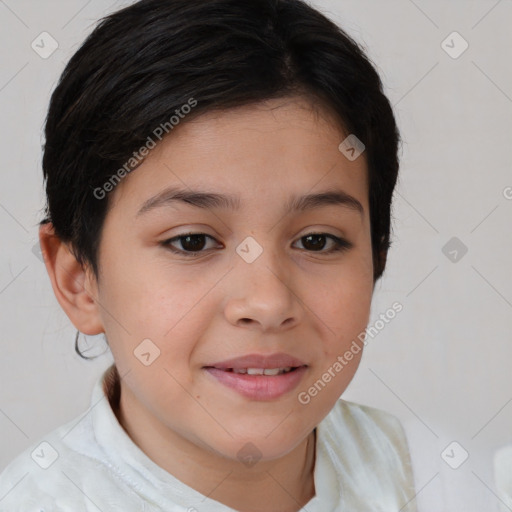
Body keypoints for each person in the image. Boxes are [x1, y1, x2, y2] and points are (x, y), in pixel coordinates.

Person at [0, 0, 418, 510]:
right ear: (77, 279)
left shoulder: (436, 476)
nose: (266, 303)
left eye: (316, 240)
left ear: (377, 255)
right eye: (192, 241)